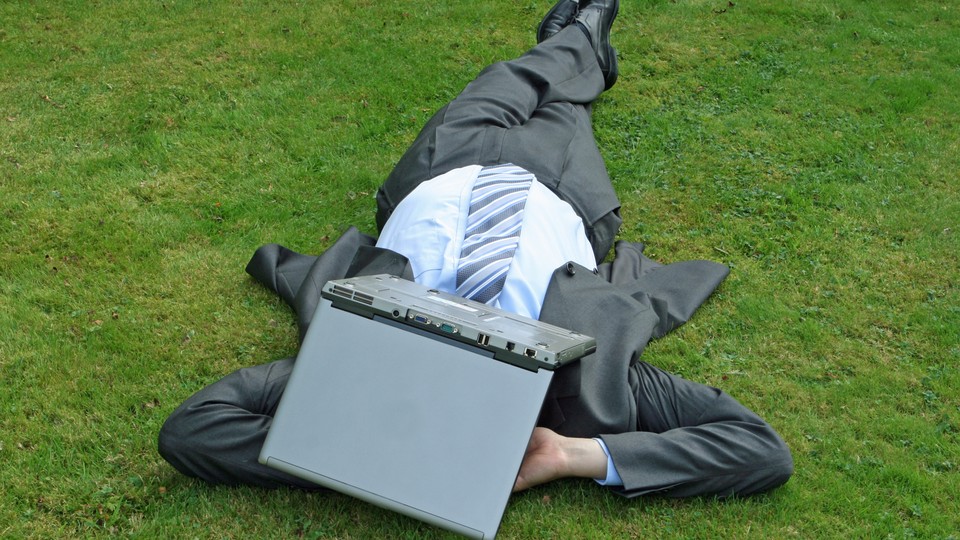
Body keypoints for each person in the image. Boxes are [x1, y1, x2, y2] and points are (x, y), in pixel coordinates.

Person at [158, 0, 793, 500]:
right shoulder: (588, 388)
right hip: (558, 186)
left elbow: (194, 427)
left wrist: (346, 451)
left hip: (439, 175)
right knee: (562, 106)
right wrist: (573, 455)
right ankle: (586, 33)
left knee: (502, 84)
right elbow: (757, 447)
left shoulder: (358, 367)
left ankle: (573, 39)